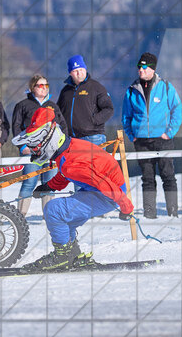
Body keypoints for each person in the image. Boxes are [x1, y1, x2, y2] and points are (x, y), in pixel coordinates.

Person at [12, 106, 134, 270]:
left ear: (47, 142)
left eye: (35, 147)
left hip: (108, 194)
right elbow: (66, 174)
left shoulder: (70, 162)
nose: (34, 151)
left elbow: (103, 183)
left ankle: (62, 256)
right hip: (100, 190)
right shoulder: (68, 150)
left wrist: (126, 207)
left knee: (54, 210)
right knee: (64, 217)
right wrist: (48, 186)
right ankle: (73, 254)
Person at [121, 52, 182, 218]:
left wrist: (169, 133)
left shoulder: (166, 87)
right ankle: (149, 212)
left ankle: (173, 211)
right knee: (147, 177)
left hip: (162, 140)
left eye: (144, 67)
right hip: (141, 141)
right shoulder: (132, 90)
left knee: (168, 175)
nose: (141, 70)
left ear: (153, 69)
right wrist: (131, 134)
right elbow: (126, 116)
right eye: (139, 67)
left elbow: (177, 110)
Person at [11, 74, 68, 215]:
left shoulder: (53, 106)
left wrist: (62, 148)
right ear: (32, 87)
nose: (44, 88)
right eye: (40, 85)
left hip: (51, 153)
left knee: (49, 184)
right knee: (29, 182)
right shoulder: (23, 105)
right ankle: (20, 215)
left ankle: (49, 215)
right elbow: (16, 127)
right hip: (31, 152)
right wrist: (22, 147)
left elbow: (63, 127)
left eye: (46, 86)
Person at [56, 54, 114, 145]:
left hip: (92, 137)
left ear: (85, 69)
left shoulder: (96, 87)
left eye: (81, 69)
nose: (79, 73)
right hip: (70, 139)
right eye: (75, 71)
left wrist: (93, 121)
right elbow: (58, 112)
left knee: (94, 160)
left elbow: (108, 109)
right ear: (70, 73)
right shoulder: (65, 91)